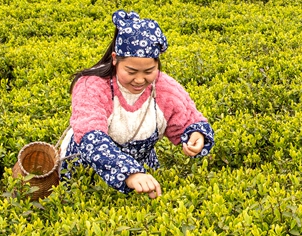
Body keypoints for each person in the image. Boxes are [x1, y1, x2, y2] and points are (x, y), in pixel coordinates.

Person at [59, 10, 215, 198]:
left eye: (149, 71)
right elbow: (92, 137)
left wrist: (195, 135)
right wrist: (128, 173)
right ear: (115, 59)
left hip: (143, 172)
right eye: (131, 71)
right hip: (85, 172)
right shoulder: (92, 86)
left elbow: (187, 119)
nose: (140, 80)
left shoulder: (164, 88)